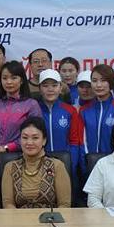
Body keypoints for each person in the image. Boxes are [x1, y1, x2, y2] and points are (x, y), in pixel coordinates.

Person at [0, 60, 42, 202]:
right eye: (5, 78)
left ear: (21, 80)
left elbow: (35, 136)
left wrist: (7, 147)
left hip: (20, 161)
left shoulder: (31, 105)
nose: (9, 82)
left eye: (13, 78)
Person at [36, 69, 84, 200]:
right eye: (45, 86)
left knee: (66, 202)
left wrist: (70, 164)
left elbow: (74, 141)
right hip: (39, 165)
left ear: (60, 87)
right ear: (39, 89)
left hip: (65, 164)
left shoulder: (70, 110)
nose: (50, 89)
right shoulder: (35, 110)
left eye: (54, 85)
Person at [80, 64, 114, 155]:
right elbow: (81, 141)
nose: (98, 85)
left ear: (111, 83)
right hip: (89, 161)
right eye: (94, 81)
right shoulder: (84, 110)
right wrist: (85, 160)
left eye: (103, 80)